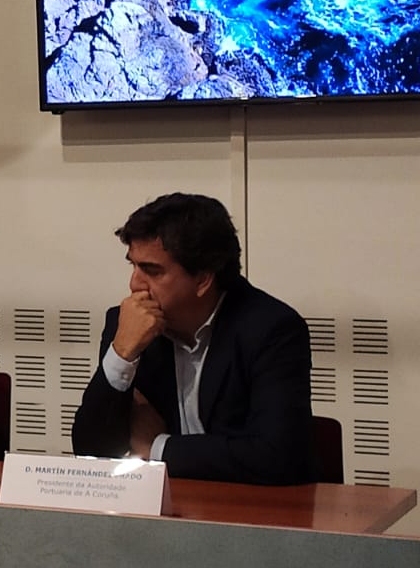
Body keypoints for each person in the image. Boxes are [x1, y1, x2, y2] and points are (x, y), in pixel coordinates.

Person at [71, 192, 314, 484]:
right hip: (164, 503)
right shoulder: (127, 325)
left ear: (202, 279)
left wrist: (158, 447)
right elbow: (90, 451)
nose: (134, 284)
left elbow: (277, 456)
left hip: (246, 505)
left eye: (151, 271)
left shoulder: (270, 329)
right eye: (133, 266)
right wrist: (122, 354)